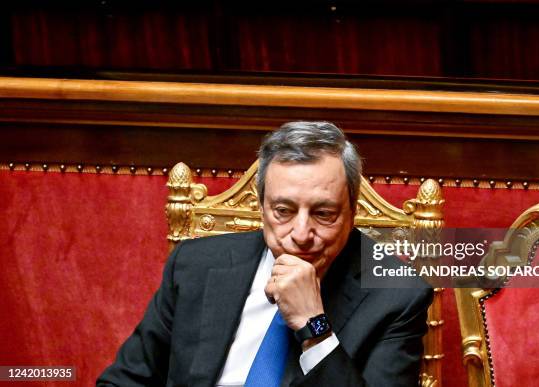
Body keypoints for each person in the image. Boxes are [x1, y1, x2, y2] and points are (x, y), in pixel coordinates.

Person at [97, 121, 432, 387]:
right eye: (283, 211)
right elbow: (124, 381)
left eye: (324, 213)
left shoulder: (397, 296)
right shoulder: (195, 265)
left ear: (351, 212)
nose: (301, 234)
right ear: (261, 208)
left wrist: (313, 324)